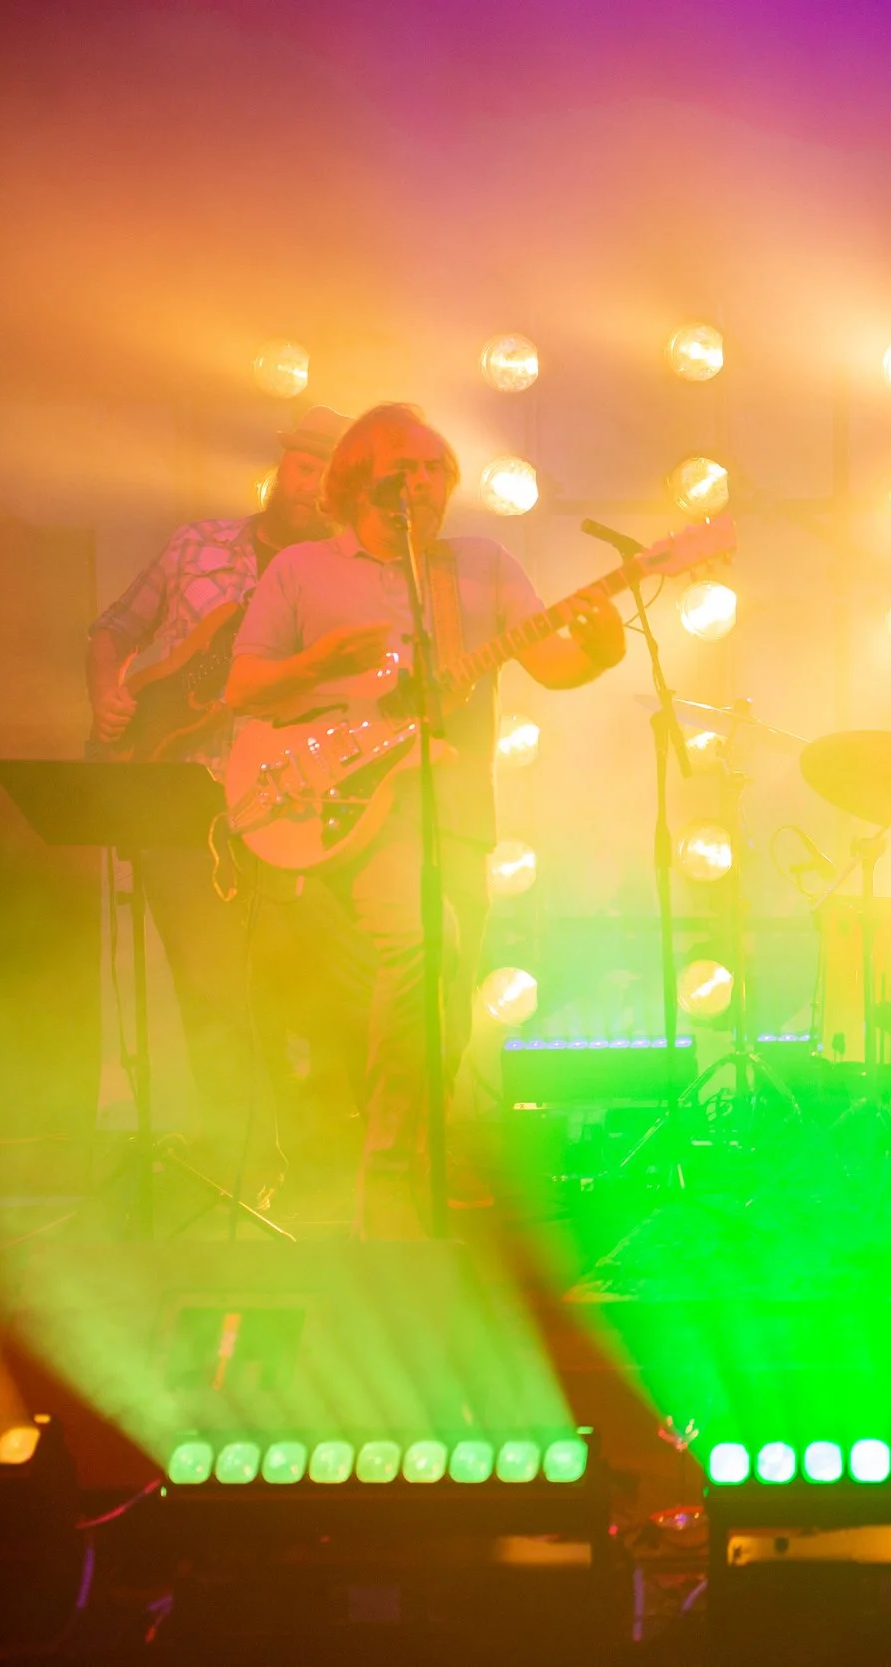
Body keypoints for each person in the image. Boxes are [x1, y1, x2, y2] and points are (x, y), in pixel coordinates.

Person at [225, 404, 626, 1236]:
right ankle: (388, 1178)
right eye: (404, 468)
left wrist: (599, 650)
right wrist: (322, 662)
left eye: (436, 469)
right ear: (353, 480)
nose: (425, 482)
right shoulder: (302, 570)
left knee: (445, 993)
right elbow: (244, 689)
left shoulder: (479, 565)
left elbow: (549, 661)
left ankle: (411, 1168)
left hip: (456, 807)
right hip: (344, 807)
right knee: (421, 942)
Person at [84, 406, 346, 1193]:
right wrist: (107, 693)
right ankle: (240, 1161)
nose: (312, 489)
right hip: (171, 789)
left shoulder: (341, 574)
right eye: (305, 469)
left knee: (285, 984)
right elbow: (115, 626)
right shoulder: (196, 545)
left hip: (282, 802)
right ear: (281, 467)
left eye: (330, 479)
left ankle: (309, 1156)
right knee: (203, 984)